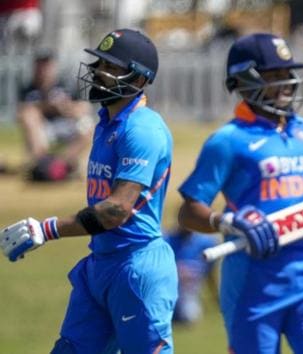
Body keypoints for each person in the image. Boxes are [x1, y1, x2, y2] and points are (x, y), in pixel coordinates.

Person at [177, 32, 303, 354]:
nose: (286, 83)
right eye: (273, 76)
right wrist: (226, 221)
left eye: (287, 73)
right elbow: (187, 212)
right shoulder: (227, 140)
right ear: (243, 80)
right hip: (252, 279)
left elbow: (302, 202)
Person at [0, 28, 177, 353]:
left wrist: (46, 229)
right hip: (101, 263)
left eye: (110, 68)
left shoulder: (143, 129)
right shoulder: (106, 123)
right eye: (99, 64)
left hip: (136, 268)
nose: (98, 73)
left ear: (138, 79)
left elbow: (116, 210)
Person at [17, 49, 93, 181]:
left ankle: (61, 165)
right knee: (28, 115)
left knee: (88, 125)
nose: (43, 70)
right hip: (43, 128)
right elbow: (21, 111)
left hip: (66, 124)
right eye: (40, 66)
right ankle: (43, 163)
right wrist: (46, 106)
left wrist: (65, 107)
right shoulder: (28, 89)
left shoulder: (67, 85)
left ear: (53, 67)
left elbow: (85, 107)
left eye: (46, 66)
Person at [164, 226, 220, 324]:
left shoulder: (206, 243)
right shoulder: (166, 240)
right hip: (168, 290)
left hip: (189, 292)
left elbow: (211, 273)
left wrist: (215, 297)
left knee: (188, 316)